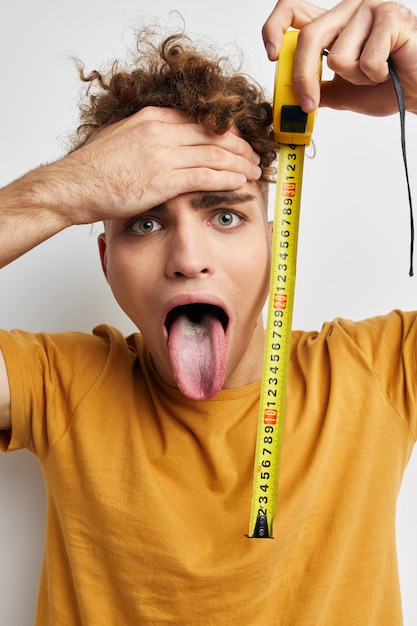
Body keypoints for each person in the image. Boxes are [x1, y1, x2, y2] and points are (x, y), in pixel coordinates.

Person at [1, 0, 417, 623]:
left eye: (225, 214)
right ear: (105, 258)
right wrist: (61, 191)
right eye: (145, 221)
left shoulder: (378, 373)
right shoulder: (58, 384)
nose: (188, 258)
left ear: (280, 243)